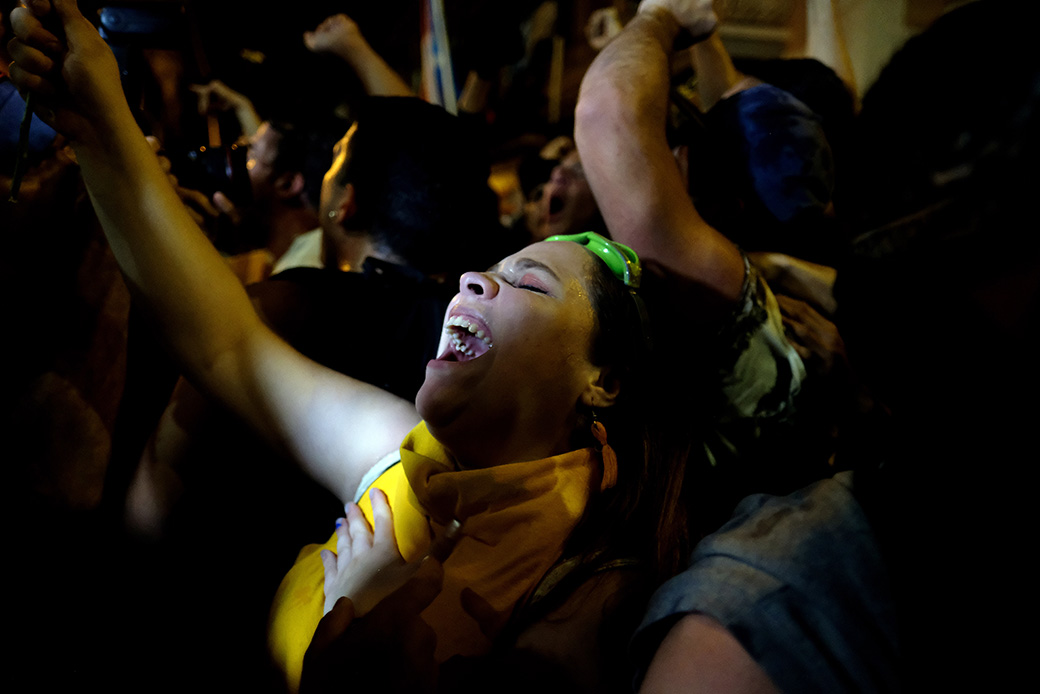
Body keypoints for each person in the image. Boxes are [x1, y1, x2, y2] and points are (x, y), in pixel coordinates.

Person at [9, 2, 804, 691]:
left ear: (604, 380)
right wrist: (97, 118)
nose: (473, 282)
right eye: (483, 272)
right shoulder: (405, 459)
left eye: (525, 283)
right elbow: (227, 350)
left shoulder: (592, 603)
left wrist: (366, 617)